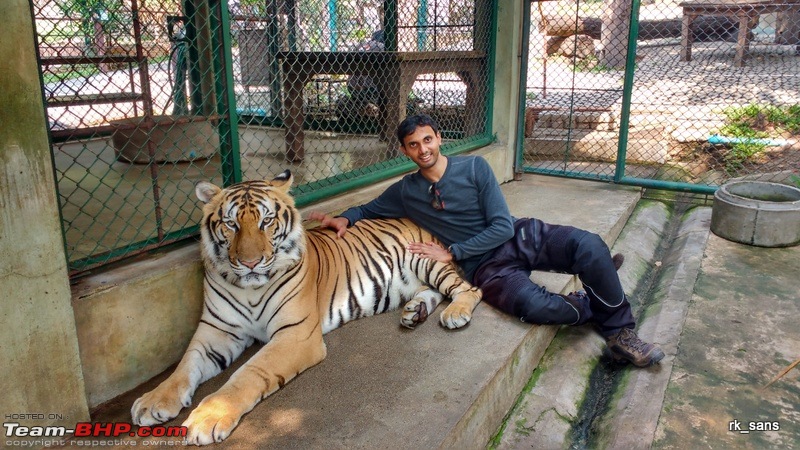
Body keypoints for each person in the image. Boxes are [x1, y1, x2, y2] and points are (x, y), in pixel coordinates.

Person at [309, 114, 664, 367]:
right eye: (413, 145)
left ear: (439, 138)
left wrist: (453, 252)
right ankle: (592, 298)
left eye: (427, 140)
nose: (422, 149)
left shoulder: (475, 167)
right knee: (538, 309)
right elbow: (365, 209)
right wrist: (343, 218)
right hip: (486, 268)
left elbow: (501, 227)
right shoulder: (405, 191)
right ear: (405, 151)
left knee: (589, 245)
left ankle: (621, 334)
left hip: (518, 235)